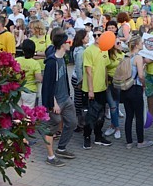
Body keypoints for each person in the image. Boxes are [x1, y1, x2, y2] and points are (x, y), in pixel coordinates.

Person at [41, 33, 77, 166]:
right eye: (68, 41)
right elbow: (48, 85)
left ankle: (61, 148)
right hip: (56, 102)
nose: (70, 43)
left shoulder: (63, 58)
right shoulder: (52, 62)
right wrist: (53, 103)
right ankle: (50, 157)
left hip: (65, 98)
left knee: (72, 122)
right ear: (62, 44)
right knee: (52, 126)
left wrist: (67, 95)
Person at [81, 28, 113, 149]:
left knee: (101, 115)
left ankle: (98, 136)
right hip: (91, 89)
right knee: (89, 115)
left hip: (102, 88)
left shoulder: (105, 50)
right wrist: (90, 90)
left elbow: (105, 67)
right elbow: (88, 72)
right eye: (94, 35)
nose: (97, 37)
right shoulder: (89, 51)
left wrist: (106, 84)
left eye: (99, 35)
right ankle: (87, 137)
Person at [120, 37, 153, 149]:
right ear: (137, 45)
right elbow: (140, 75)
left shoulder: (126, 56)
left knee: (129, 115)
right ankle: (140, 141)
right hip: (135, 88)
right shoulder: (138, 57)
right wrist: (144, 83)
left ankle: (129, 142)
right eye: (141, 43)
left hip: (126, 88)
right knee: (138, 116)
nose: (143, 44)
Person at [16, 39, 42, 108]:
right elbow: (39, 78)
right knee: (28, 113)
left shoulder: (17, 60)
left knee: (17, 111)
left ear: (23, 51)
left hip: (17, 89)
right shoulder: (35, 63)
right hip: (30, 91)